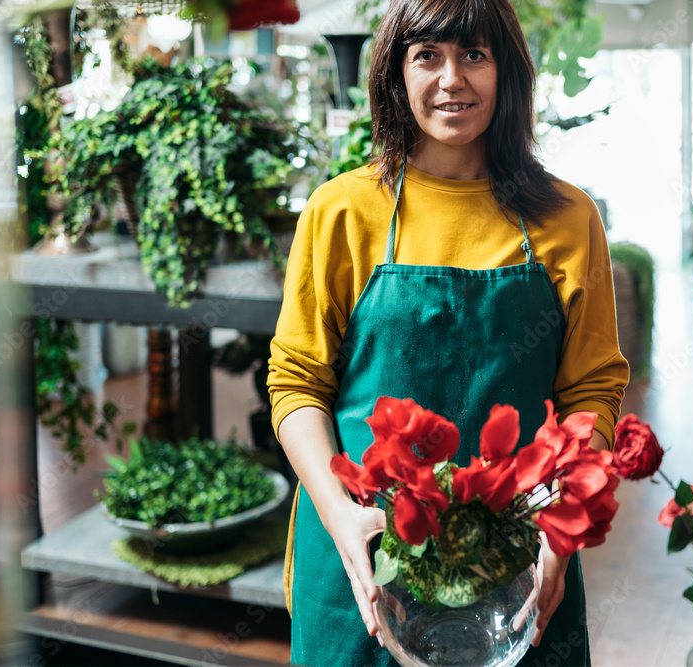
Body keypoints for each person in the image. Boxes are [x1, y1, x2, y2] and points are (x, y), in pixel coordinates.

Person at [268, 0, 628, 663]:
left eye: (475, 54)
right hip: (364, 555)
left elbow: (592, 389)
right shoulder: (341, 210)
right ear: (394, 74)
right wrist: (340, 516)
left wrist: (561, 524)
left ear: (507, 71)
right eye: (427, 55)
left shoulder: (569, 218)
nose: (451, 79)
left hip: (519, 558)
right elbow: (296, 384)